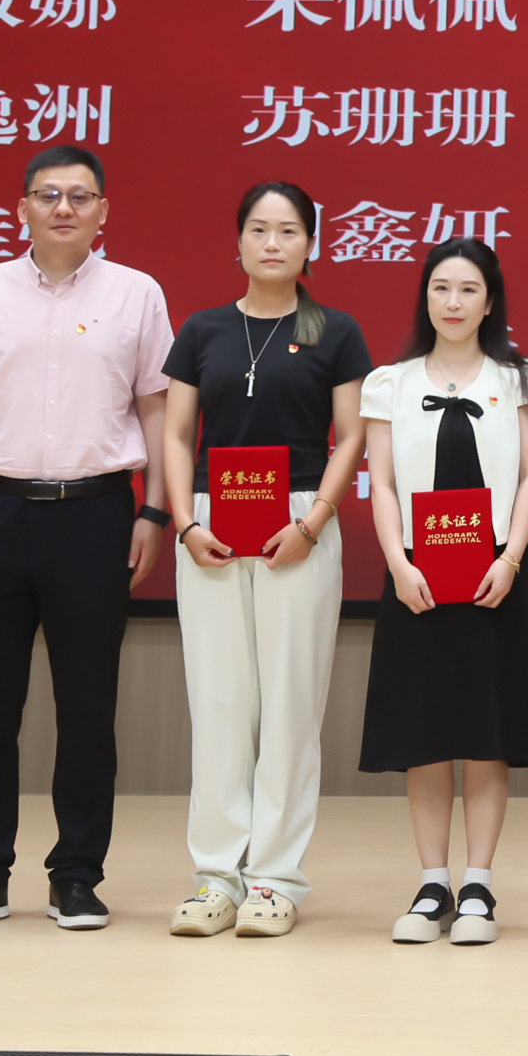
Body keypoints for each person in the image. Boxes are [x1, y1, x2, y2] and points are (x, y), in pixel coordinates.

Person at [0, 142, 171, 936]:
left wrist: (155, 511)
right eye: (49, 193)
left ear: (104, 211)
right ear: (22, 206)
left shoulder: (136, 294)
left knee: (87, 708)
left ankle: (77, 876)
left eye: (80, 195)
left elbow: (158, 408)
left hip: (96, 516)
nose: (64, 207)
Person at [155, 180, 369, 942]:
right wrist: (185, 522)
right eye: (258, 229)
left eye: (288, 230)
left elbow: (351, 436)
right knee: (218, 703)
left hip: (298, 524)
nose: (272, 243)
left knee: (289, 706)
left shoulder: (335, 330)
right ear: (238, 241)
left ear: (311, 243)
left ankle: (275, 878)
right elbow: (177, 435)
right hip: (210, 525)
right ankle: (217, 876)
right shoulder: (203, 329)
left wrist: (313, 521)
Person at [359, 238, 528, 947]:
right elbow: (381, 482)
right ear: (425, 297)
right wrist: (396, 561)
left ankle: (478, 883)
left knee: (485, 731)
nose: (453, 302)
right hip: (415, 574)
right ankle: (432, 881)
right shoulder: (389, 382)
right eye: (441, 287)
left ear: (489, 300)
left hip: (496, 574)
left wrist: (511, 558)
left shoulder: (524, 378)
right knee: (425, 733)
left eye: (468, 289)